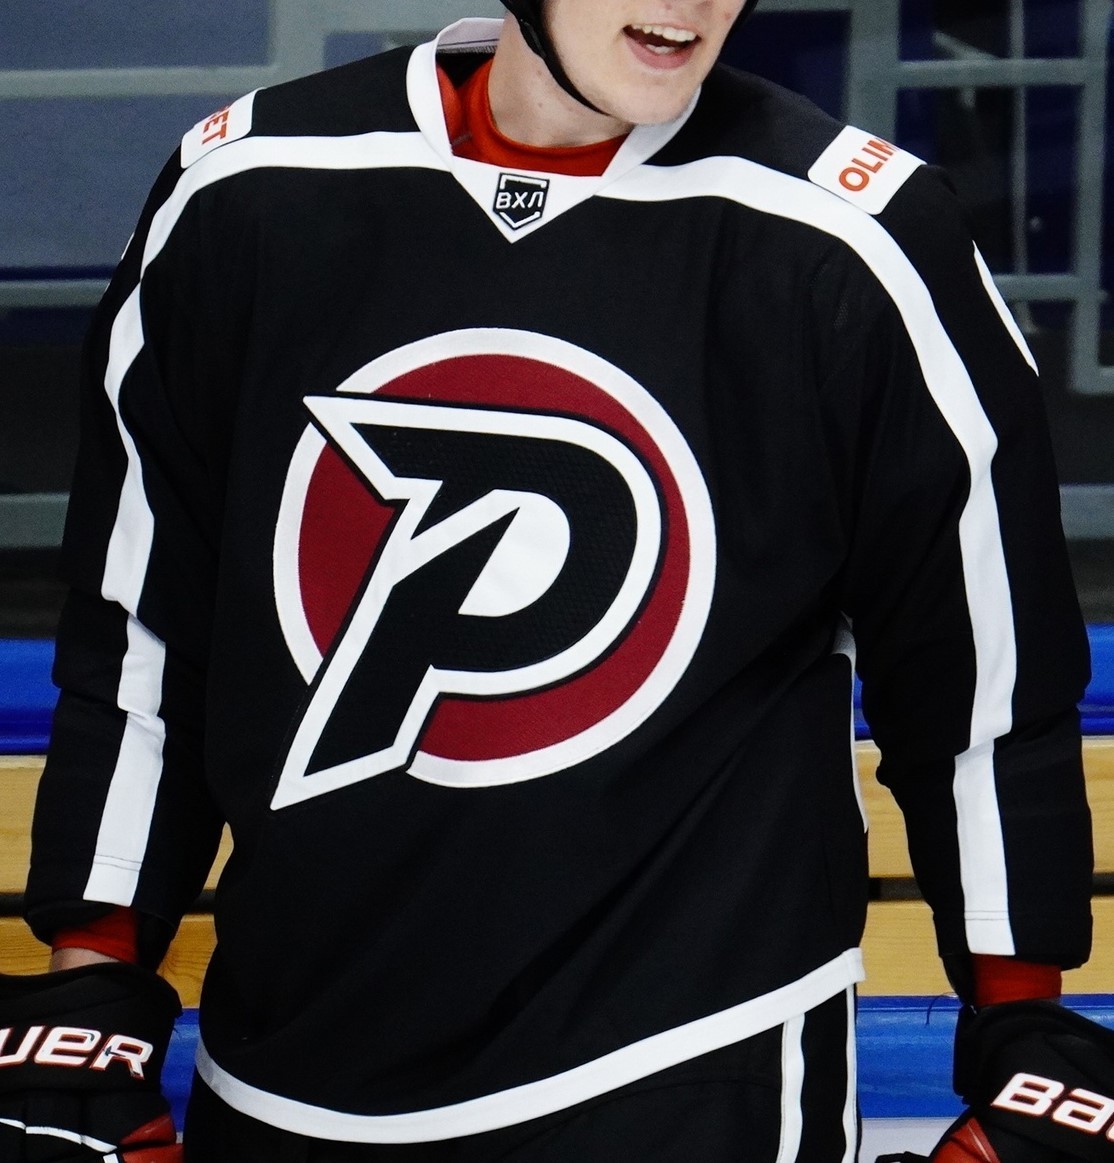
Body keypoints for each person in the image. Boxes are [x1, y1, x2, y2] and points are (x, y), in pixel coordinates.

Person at [2, 1, 1104, 1159]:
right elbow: (148, 628)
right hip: (288, 1073)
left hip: (691, 1067)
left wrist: (1022, 1023)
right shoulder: (249, 189)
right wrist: (92, 984)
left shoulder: (853, 233)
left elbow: (979, 675)